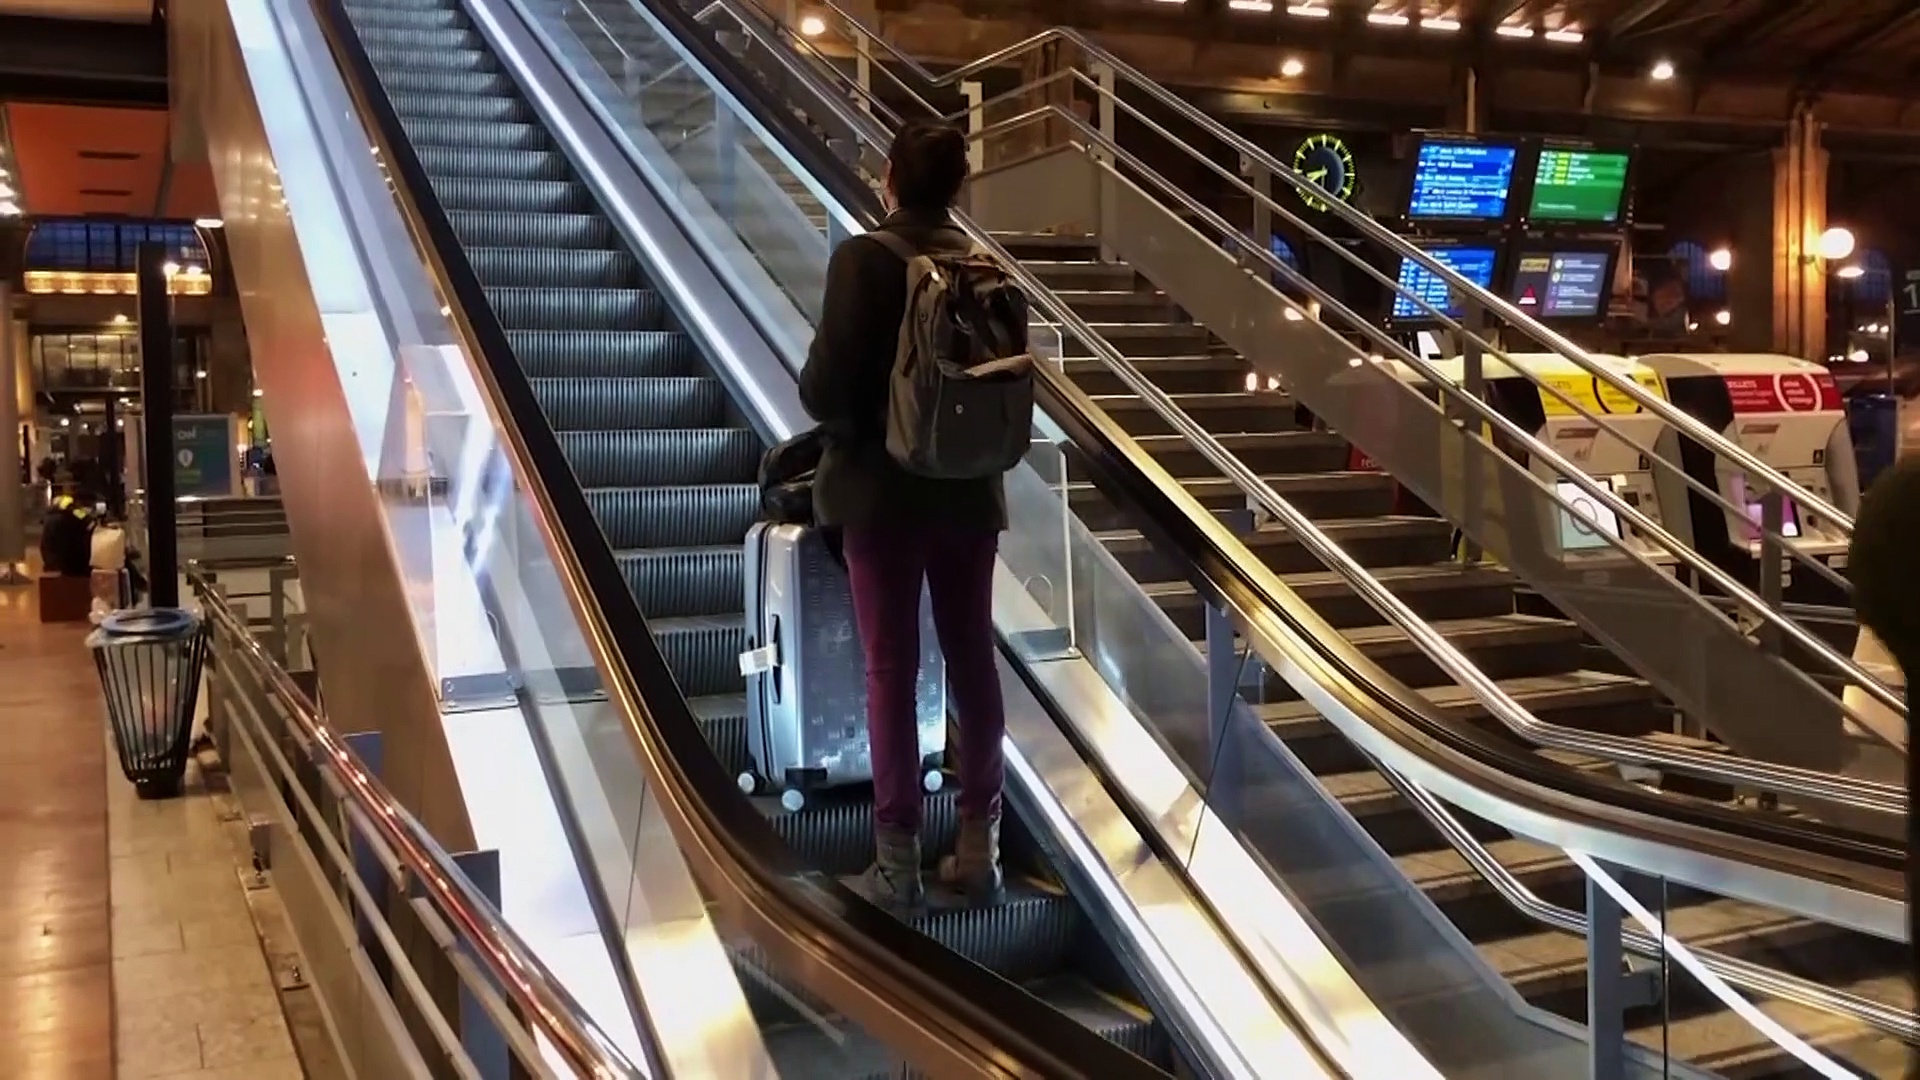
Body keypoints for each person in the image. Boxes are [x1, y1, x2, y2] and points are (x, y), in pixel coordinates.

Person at [799, 121, 1009, 912]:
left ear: (889, 177)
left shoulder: (864, 259)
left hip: (882, 497)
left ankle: (897, 863)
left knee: (892, 670)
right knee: (973, 662)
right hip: (971, 493)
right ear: (956, 185)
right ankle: (980, 851)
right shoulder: (983, 267)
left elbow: (824, 392)